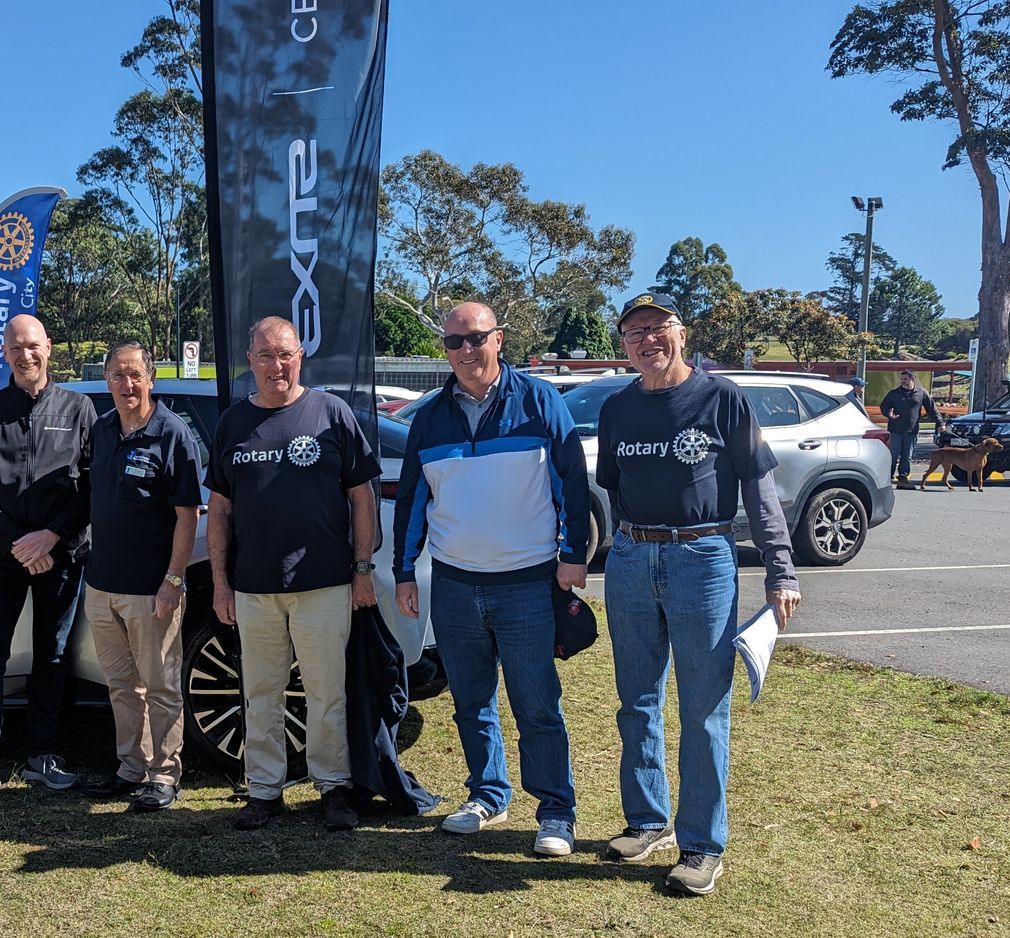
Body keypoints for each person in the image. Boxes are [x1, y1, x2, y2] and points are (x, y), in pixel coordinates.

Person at [597, 291, 802, 896]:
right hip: (633, 559)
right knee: (636, 700)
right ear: (625, 344)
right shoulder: (616, 410)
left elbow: (761, 492)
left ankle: (701, 846)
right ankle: (646, 821)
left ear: (680, 333)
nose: (647, 341)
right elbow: (614, 491)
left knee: (704, 709)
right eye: (634, 333)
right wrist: (627, 549)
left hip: (704, 559)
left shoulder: (722, 399)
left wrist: (781, 569)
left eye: (657, 328)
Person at [391, 302, 589, 855]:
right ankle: (488, 793)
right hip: (454, 586)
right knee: (471, 701)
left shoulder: (539, 402)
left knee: (536, 703)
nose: (465, 351)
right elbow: (413, 501)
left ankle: (555, 811)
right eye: (454, 343)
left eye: (476, 339)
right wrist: (405, 572)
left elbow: (572, 482)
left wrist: (573, 554)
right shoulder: (429, 418)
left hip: (527, 584)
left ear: (498, 339)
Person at [207, 316, 381, 832]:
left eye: (284, 354)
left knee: (327, 692)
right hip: (254, 587)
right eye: (264, 355)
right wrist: (219, 582)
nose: (275, 365)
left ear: (300, 355)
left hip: (324, 583)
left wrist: (363, 568)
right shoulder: (234, 423)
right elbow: (218, 509)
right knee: (260, 693)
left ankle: (333, 788)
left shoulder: (331, 412)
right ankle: (264, 790)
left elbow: (362, 496)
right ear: (250, 361)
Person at [0, 314, 97, 807]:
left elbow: (89, 483)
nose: (25, 354)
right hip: (0, 556)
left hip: (62, 555)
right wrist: (19, 540)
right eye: (15, 347)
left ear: (49, 348)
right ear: (5, 353)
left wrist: (50, 538)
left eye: (33, 345)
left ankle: (43, 754)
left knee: (53, 656)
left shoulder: (80, 409)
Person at [81, 342, 204, 813]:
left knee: (161, 685)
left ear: (150, 379)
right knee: (120, 685)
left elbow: (186, 515)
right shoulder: (103, 429)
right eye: (117, 375)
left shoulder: (172, 434)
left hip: (151, 589)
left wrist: (173, 580)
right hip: (101, 584)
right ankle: (130, 767)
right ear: (107, 379)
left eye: (135, 375)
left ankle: (164, 774)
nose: (127, 385)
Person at [878, 369, 941, 488]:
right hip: (895, 430)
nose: (903, 381)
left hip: (911, 432)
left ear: (913, 379)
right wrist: (888, 414)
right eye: (902, 379)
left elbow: (932, 409)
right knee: (892, 455)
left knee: (907, 457)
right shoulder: (894, 393)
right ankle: (887, 478)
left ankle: (903, 479)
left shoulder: (921, 393)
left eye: (905, 379)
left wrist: (940, 423)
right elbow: (884, 407)